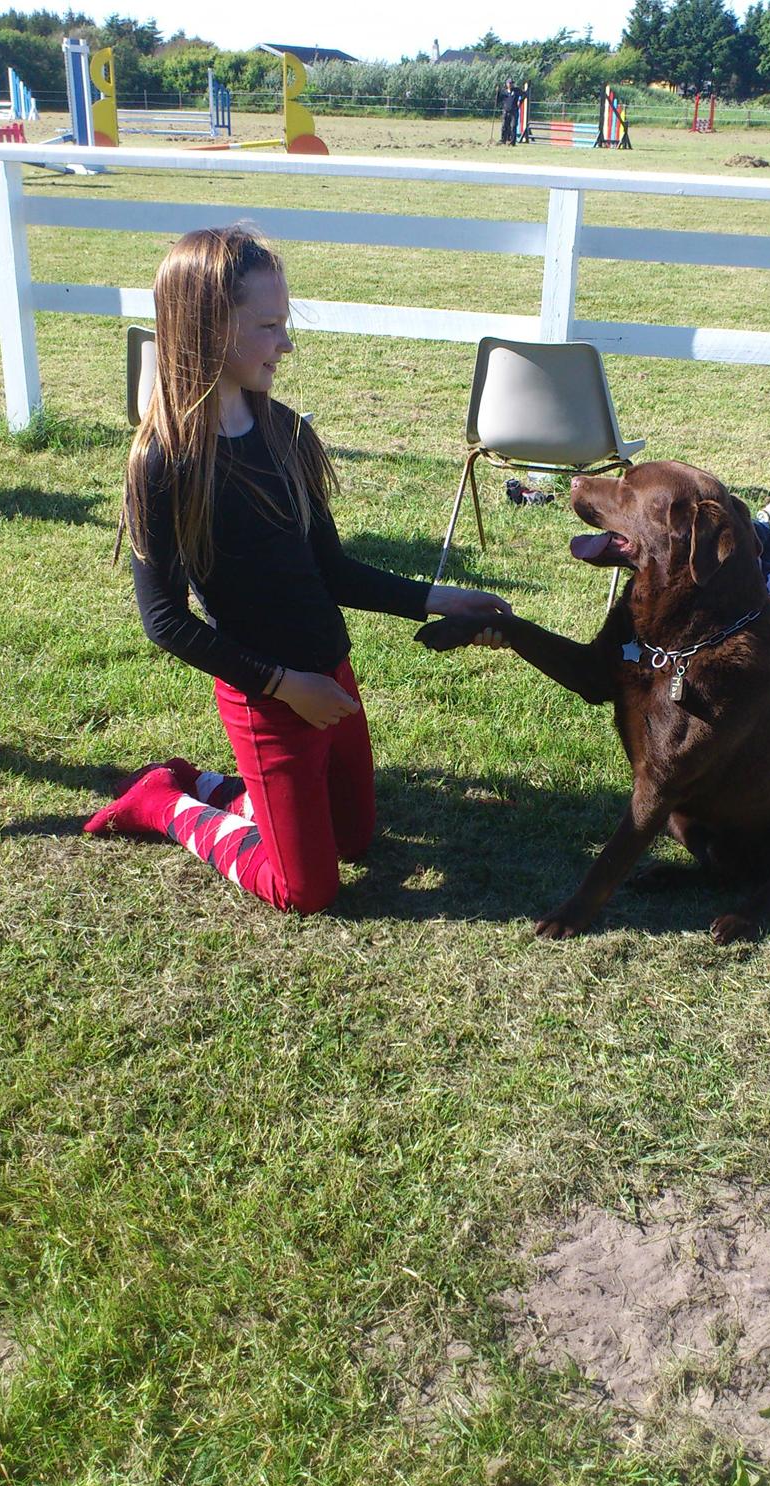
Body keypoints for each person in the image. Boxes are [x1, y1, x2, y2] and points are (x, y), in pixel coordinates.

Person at [85, 225, 510, 914]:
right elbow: (164, 622)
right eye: (270, 325)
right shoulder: (162, 462)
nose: (287, 343)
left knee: (355, 839)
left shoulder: (286, 433)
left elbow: (332, 572)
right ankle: (163, 801)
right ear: (208, 328)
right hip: (269, 701)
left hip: (332, 679)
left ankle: (221, 787)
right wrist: (285, 686)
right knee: (303, 888)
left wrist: (441, 599)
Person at [499, 78, 520, 145]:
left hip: (514, 112)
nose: (510, 84)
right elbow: (498, 99)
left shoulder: (516, 91)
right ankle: (503, 140)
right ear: (506, 84)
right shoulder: (504, 92)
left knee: (513, 126)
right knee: (504, 126)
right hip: (506, 111)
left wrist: (520, 101)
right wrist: (497, 93)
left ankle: (512, 142)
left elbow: (524, 95)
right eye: (509, 83)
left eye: (511, 83)